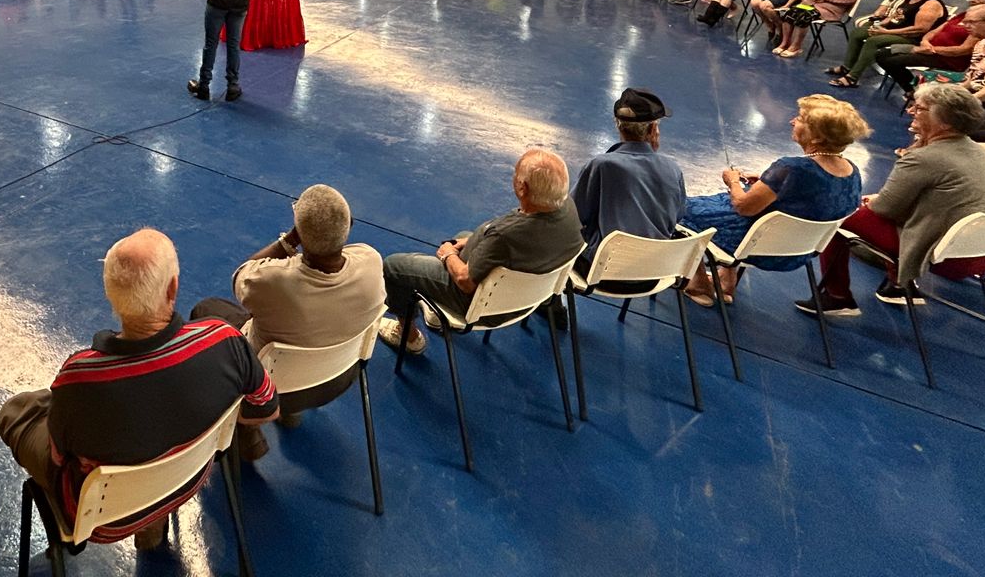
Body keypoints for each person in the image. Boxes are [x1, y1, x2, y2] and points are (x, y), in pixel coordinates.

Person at [0, 229, 278, 552]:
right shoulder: (224, 340)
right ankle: (153, 518)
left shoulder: (79, 377)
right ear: (172, 288)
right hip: (191, 480)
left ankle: (147, 523)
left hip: (106, 521)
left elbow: (59, 458)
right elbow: (268, 407)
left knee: (17, 411)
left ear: (110, 296)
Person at [189, 185, 384, 460]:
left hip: (272, 394)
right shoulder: (372, 262)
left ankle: (248, 430)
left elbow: (241, 275)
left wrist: (290, 240)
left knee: (206, 309)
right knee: (313, 324)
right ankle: (291, 414)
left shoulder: (274, 282)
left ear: (300, 233)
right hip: (342, 376)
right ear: (349, 225)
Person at [803, 84, 985, 311]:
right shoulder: (980, 153)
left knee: (839, 213)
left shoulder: (926, 158)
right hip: (982, 252)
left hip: (947, 257)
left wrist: (873, 202)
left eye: (919, 108)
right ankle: (899, 286)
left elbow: (885, 209)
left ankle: (837, 297)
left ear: (945, 122)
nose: (910, 111)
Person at [378, 148, 583, 356]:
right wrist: (470, 241)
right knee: (464, 235)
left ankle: (409, 337)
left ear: (522, 188)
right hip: (528, 298)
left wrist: (448, 253)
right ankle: (435, 308)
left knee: (394, 266)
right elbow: (496, 242)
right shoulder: (568, 209)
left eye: (516, 174)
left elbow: (465, 281)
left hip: (483, 306)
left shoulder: (505, 235)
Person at [682, 95, 870, 305]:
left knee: (683, 208)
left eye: (800, 119)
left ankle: (699, 284)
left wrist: (733, 181)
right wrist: (767, 182)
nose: (792, 121)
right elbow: (810, 198)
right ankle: (727, 280)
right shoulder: (852, 172)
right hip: (800, 251)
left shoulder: (791, 168)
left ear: (816, 137)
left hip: (754, 247)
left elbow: (743, 207)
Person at [571, 89, 687, 277]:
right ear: (652, 130)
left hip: (603, 272)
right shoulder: (673, 169)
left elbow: (573, 215)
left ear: (619, 127)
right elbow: (678, 215)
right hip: (655, 274)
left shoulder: (600, 165)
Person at [875, 0, 985, 93]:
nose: (972, 0)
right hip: (927, 49)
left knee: (892, 61)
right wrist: (925, 42)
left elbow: (964, 49)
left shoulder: (983, 25)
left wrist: (932, 50)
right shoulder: (964, 14)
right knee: (882, 54)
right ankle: (915, 89)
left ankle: (913, 91)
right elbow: (935, 31)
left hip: (946, 59)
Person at [828, 0, 945, 87]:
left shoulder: (931, 4)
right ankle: (846, 67)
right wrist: (880, 25)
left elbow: (919, 29)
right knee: (858, 33)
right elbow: (896, 15)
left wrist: (886, 32)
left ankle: (852, 77)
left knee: (874, 41)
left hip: (911, 38)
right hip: (894, 30)